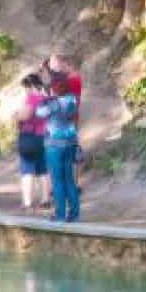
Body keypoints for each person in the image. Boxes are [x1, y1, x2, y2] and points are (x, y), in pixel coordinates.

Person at [35, 80, 82, 222]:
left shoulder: (51, 103)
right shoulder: (72, 101)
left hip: (54, 146)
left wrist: (44, 98)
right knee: (69, 180)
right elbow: (74, 117)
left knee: (57, 181)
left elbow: (39, 113)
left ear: (54, 90)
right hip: (70, 143)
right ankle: (74, 213)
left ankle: (60, 214)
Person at [15, 75, 50, 210]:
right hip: (44, 136)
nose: (25, 91)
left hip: (29, 136)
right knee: (43, 170)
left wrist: (17, 117)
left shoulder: (31, 98)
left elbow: (26, 115)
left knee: (27, 170)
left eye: (25, 88)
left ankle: (27, 202)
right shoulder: (46, 99)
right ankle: (45, 200)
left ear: (30, 86)